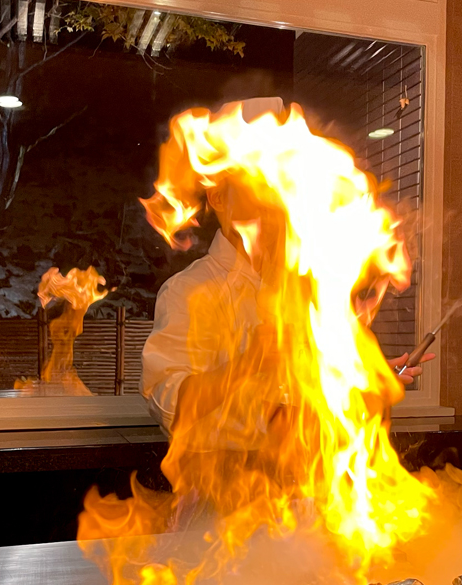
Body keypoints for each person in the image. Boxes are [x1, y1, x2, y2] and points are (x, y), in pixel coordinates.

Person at [141, 98, 433, 437]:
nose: (276, 203)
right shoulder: (187, 292)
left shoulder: (305, 287)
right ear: (218, 198)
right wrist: (248, 364)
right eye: (259, 188)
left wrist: (367, 380)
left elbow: (321, 403)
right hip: (224, 471)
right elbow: (168, 405)